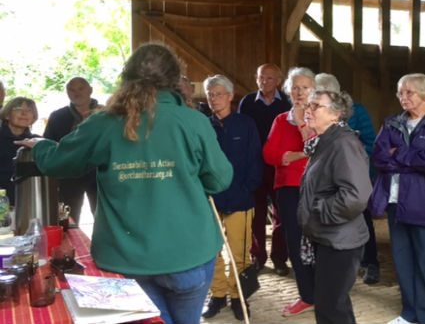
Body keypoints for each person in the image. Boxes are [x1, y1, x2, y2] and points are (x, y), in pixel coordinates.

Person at [17, 43, 233, 324]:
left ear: (127, 77)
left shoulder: (104, 123)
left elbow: (59, 161)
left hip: (127, 259)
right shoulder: (193, 122)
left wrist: (41, 145)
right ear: (173, 78)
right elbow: (219, 179)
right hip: (189, 254)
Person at [370, 73, 425, 324]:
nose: (402, 97)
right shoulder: (392, 122)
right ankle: (410, 314)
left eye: (409, 92)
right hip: (397, 203)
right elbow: (378, 157)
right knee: (404, 262)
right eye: (400, 92)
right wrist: (412, 158)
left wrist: (398, 155)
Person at [298, 90, 372, 324]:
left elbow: (357, 196)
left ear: (336, 115)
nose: (308, 110)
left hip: (341, 241)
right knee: (332, 304)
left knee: (331, 307)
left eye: (316, 106)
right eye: (308, 105)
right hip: (329, 236)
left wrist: (319, 210)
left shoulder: (344, 143)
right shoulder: (325, 141)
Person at [201, 74, 262, 321]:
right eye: (210, 94)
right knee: (212, 252)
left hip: (240, 199)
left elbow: (255, 161)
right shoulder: (203, 125)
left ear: (230, 95)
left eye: (218, 94)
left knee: (240, 252)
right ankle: (217, 296)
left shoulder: (246, 124)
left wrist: (247, 190)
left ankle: (238, 297)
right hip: (211, 201)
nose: (214, 99)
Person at [315, 72, 380, 285]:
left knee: (362, 219)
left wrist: (354, 157)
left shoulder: (357, 111)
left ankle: (371, 263)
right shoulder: (314, 114)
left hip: (352, 175)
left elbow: (371, 142)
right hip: (326, 180)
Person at [263, 66, 315, 316]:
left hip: (316, 188)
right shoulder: (281, 120)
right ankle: (307, 295)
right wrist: (295, 155)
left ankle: (323, 291)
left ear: (314, 90)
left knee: (318, 240)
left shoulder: (321, 116)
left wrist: (303, 123)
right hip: (287, 188)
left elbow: (316, 148)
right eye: (295, 87)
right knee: (294, 242)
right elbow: (269, 154)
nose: (299, 92)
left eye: (305, 87)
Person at [238, 63, 291, 276]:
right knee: (257, 213)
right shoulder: (248, 102)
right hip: (255, 165)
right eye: (261, 77)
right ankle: (258, 256)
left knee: (282, 214)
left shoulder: (286, 102)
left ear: (278, 80)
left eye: (269, 78)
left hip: (280, 165)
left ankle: (279, 258)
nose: (264, 82)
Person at [44, 77, 100, 224]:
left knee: (104, 218)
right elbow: (48, 144)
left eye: (81, 88)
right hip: (69, 173)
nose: (76, 93)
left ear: (90, 90)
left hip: (100, 173)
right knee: (67, 219)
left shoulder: (105, 113)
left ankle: (106, 247)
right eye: (71, 89)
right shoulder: (58, 116)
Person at [0, 97, 38, 204]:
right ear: (7, 115)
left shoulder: (38, 141)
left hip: (29, 200)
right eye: (18, 109)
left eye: (29, 110)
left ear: (33, 117)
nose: (24, 113)